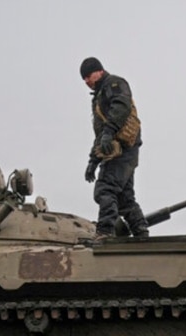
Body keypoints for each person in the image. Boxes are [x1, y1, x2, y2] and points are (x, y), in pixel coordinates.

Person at [80, 57, 149, 239]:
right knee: (124, 198)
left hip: (123, 148)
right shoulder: (99, 96)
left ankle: (105, 231)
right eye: (84, 78)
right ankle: (141, 232)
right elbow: (101, 134)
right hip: (122, 150)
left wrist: (109, 132)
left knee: (105, 188)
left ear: (99, 71)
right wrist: (93, 161)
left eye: (88, 76)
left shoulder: (114, 84)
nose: (86, 81)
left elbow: (121, 106)